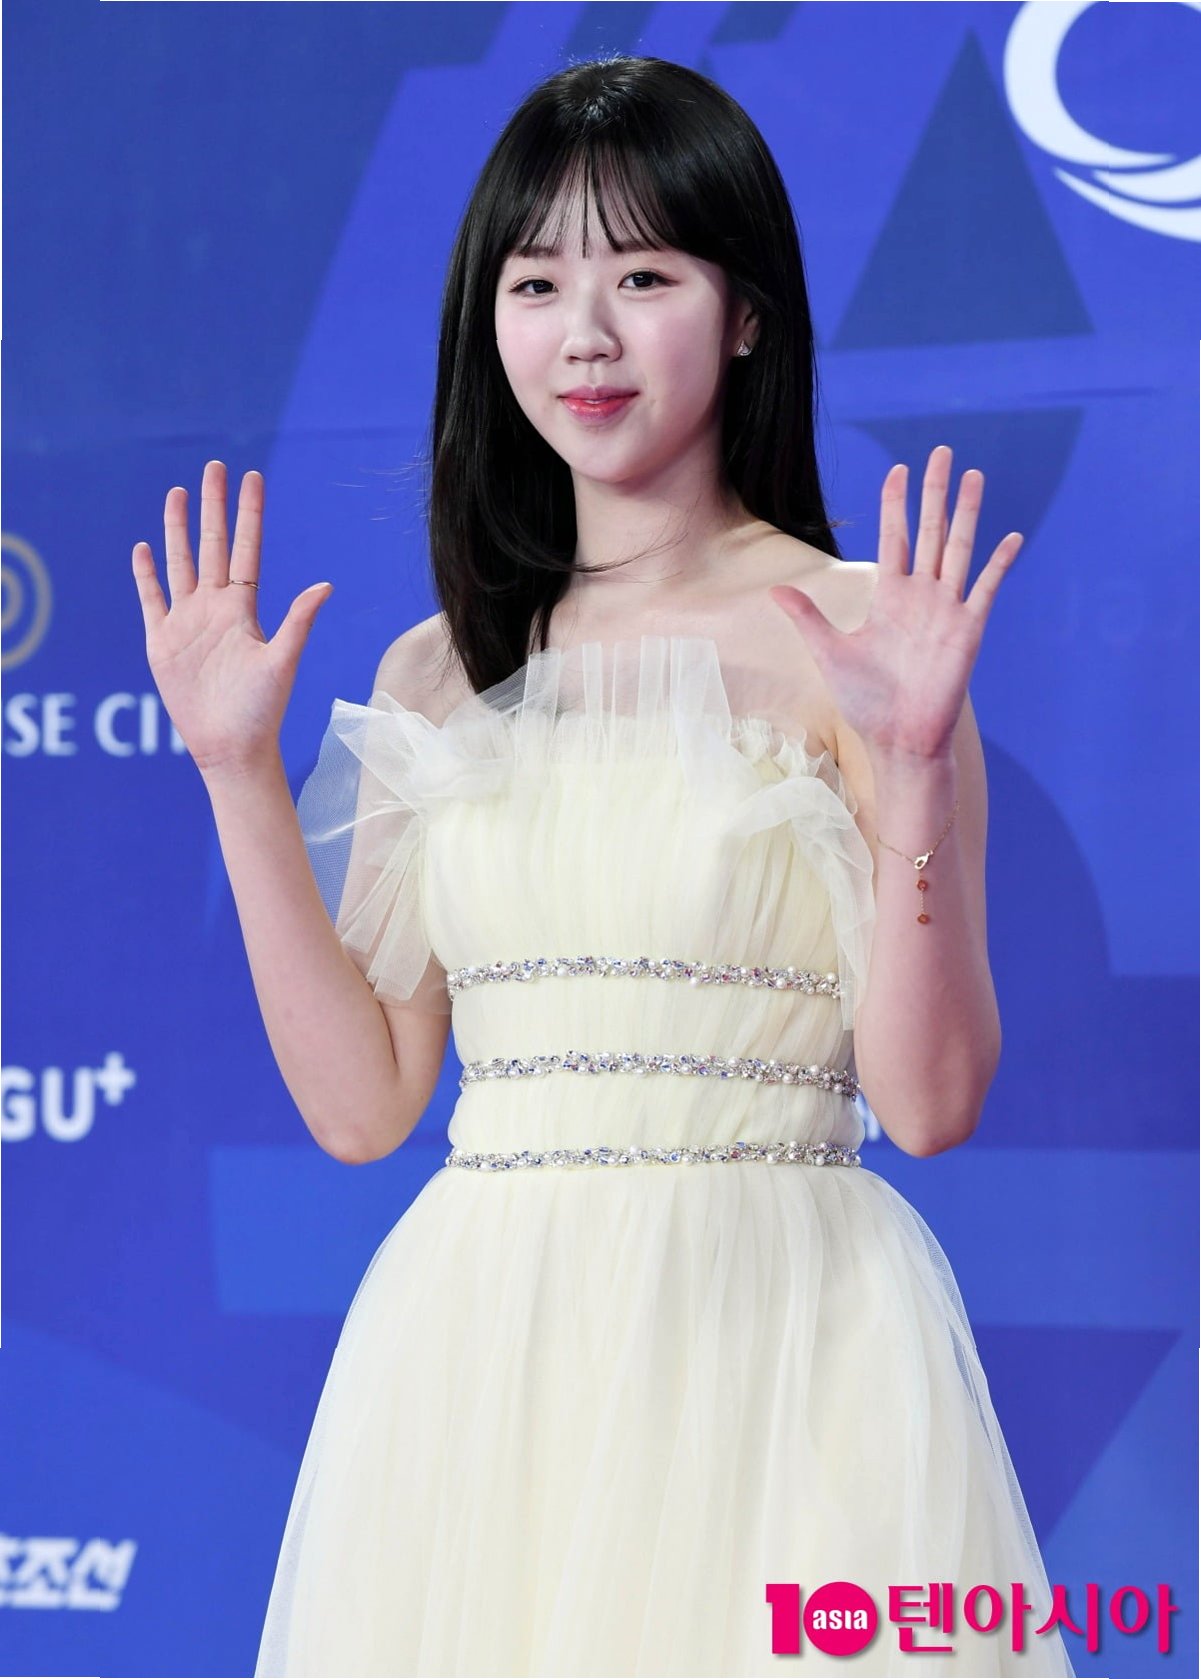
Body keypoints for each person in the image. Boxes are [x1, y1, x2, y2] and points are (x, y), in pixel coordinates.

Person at [132, 54, 1076, 1679]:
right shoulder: (439, 668)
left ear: (747, 314)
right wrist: (235, 773)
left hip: (787, 1343)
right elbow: (363, 1109)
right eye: (536, 282)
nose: (583, 333)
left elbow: (928, 1106)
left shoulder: (861, 638)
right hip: (482, 1363)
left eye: (642, 276)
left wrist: (914, 767)